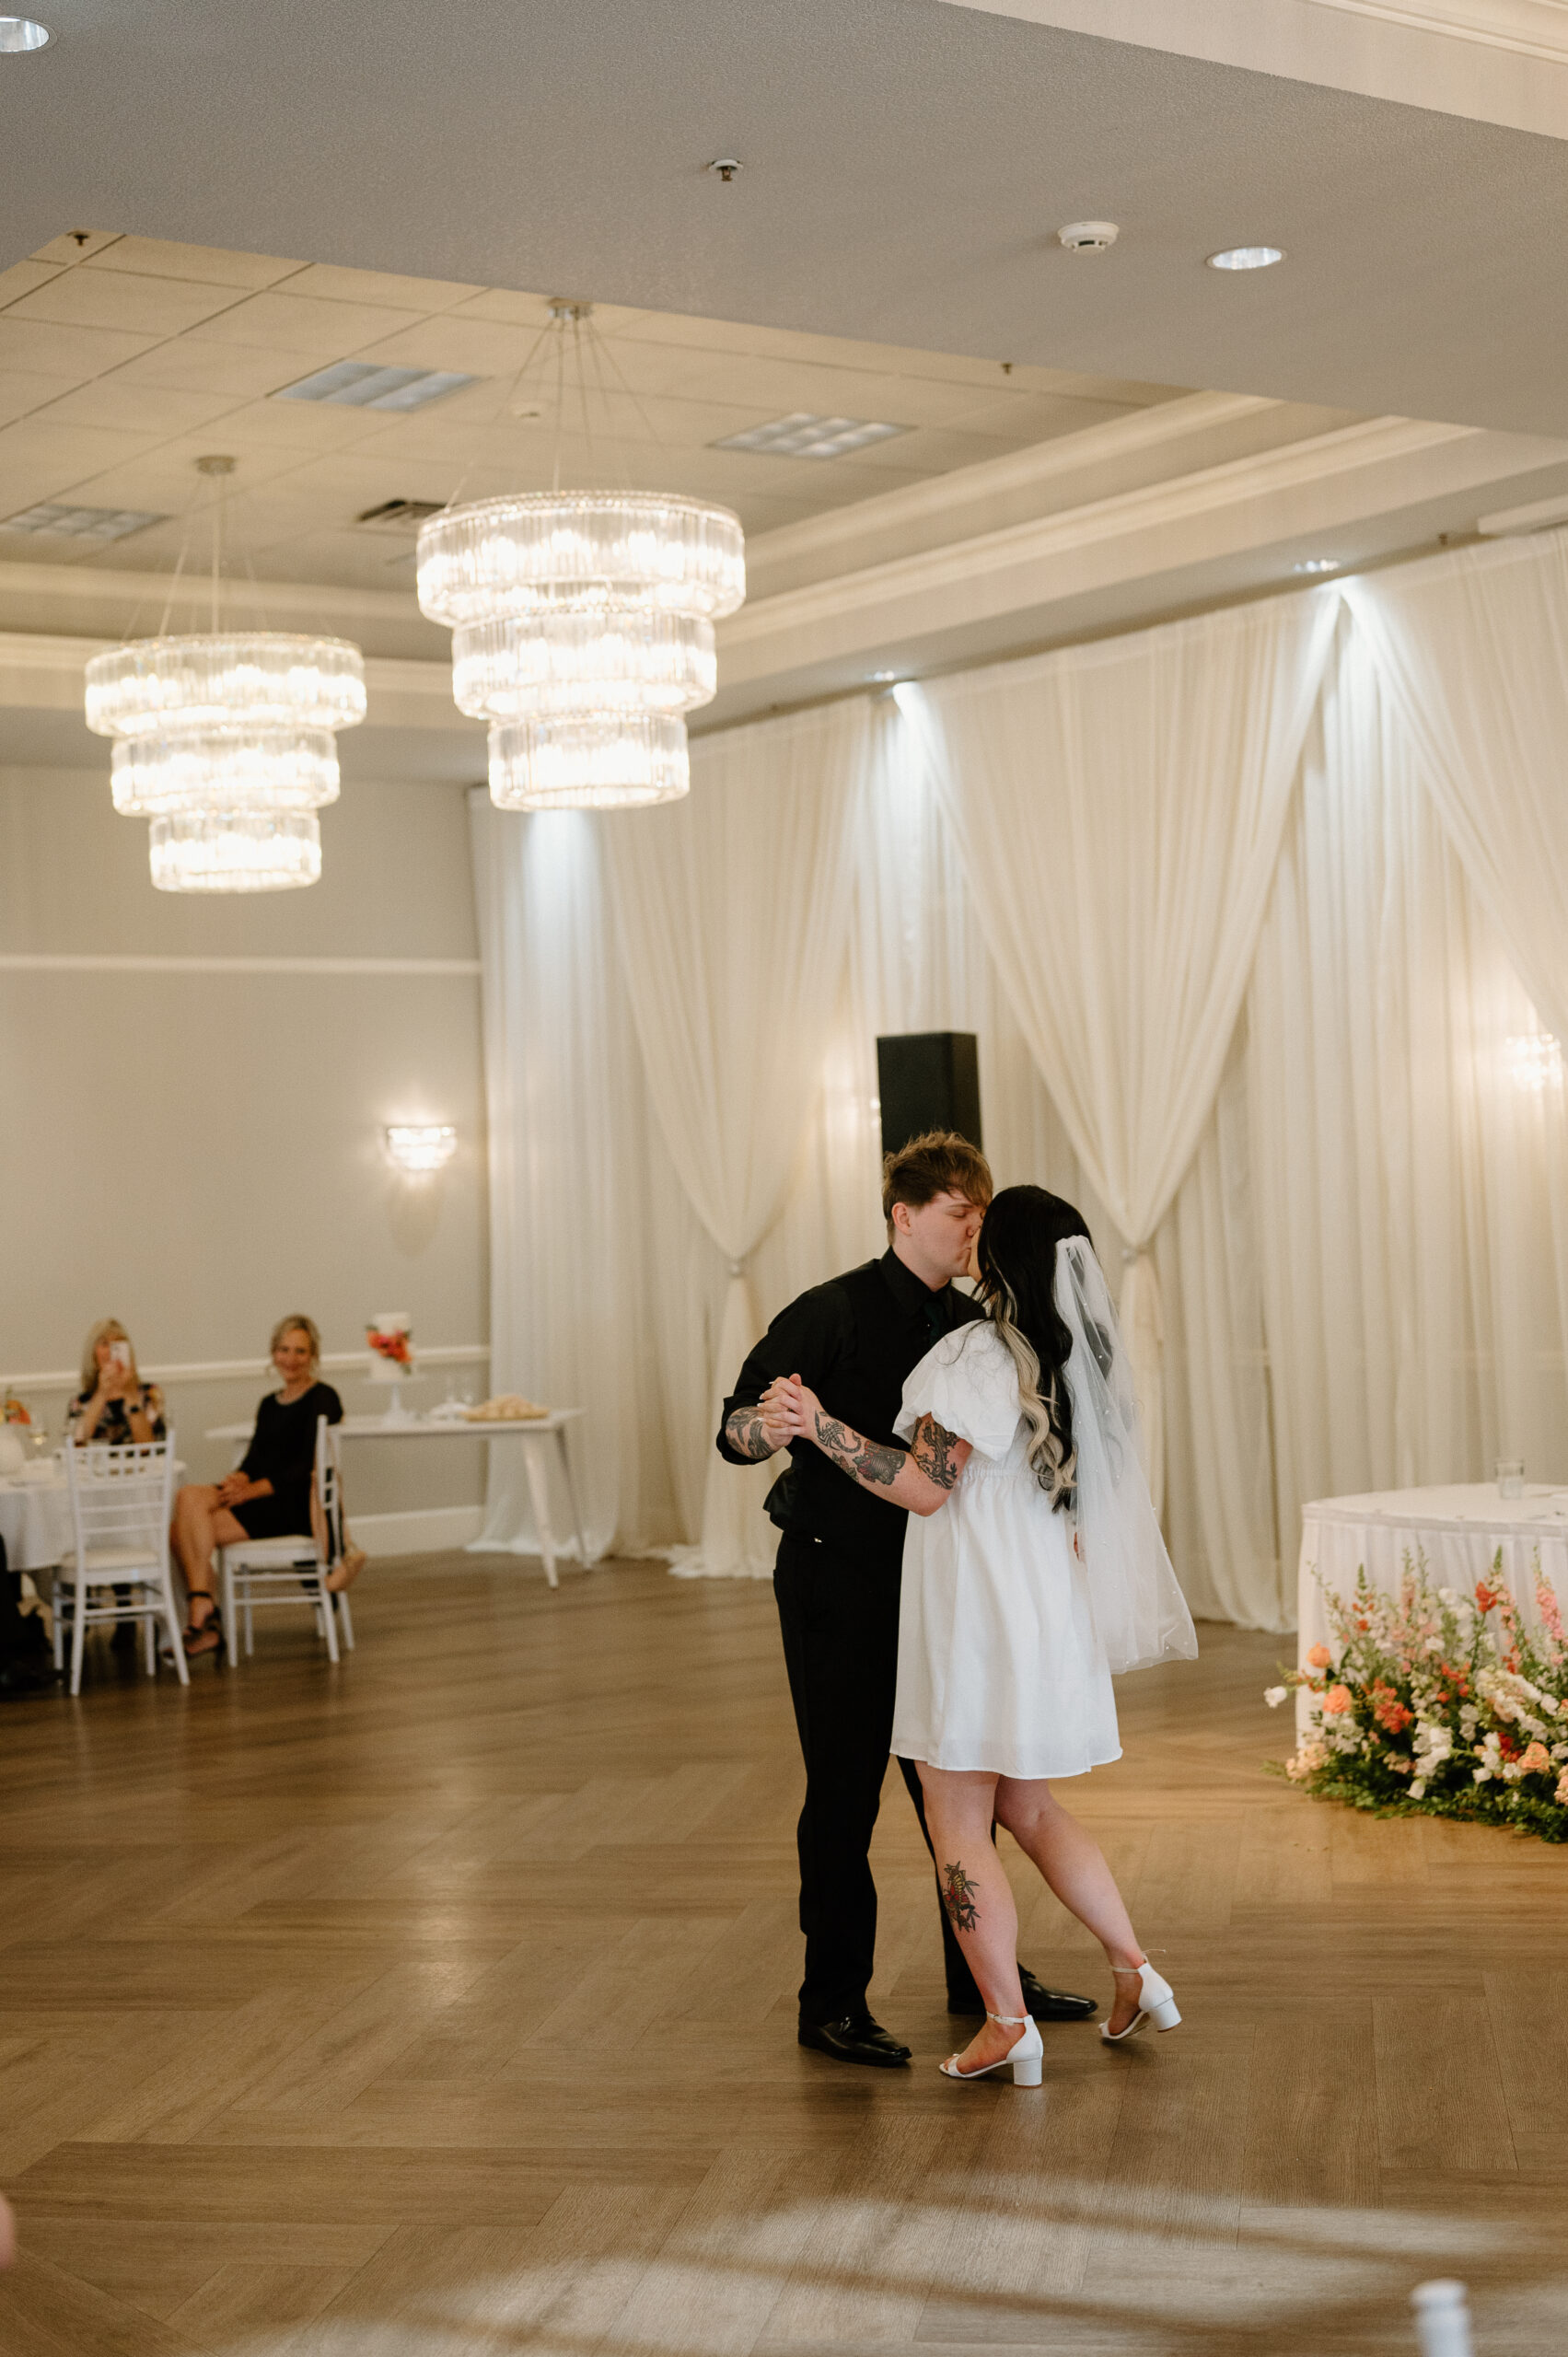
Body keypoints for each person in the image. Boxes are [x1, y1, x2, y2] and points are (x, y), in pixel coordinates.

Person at [771, 1184, 1198, 2086]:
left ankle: (1006, 2022)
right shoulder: (1078, 1356)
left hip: (975, 1616)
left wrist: (818, 1425)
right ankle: (1134, 1968)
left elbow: (923, 1487)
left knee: (955, 1816)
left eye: (983, 1228)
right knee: (1028, 1807)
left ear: (1002, 1255)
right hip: (1043, 1610)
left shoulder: (972, 1354)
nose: (969, 1234)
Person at [717, 1133, 1095, 2070]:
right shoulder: (830, 1308)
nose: (973, 1230)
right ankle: (831, 2002)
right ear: (903, 1214)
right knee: (843, 1792)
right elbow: (733, 1428)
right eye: (958, 1213)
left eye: (981, 1216)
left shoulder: (980, 1324)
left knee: (959, 1787)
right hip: (838, 1581)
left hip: (948, 1589)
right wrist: (769, 1427)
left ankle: (986, 1986)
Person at [170, 1316, 350, 1660]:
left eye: (300, 1351)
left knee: (181, 1533)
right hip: (259, 1497)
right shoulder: (269, 1403)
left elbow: (305, 1467)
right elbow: (255, 1459)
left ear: (313, 1356)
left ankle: (205, 1615)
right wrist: (238, 1479)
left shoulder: (324, 1397)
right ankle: (204, 1604)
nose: (290, 1359)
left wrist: (250, 1491)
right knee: (187, 1499)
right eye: (284, 1350)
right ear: (273, 1353)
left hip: (294, 1505)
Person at [67, 1318, 165, 1449]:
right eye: (105, 1344)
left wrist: (130, 1394)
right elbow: (77, 1446)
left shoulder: (150, 1394)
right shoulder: (80, 1402)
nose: (112, 1351)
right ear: (93, 1355)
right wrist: (101, 1394)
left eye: (118, 1344)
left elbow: (149, 1449)